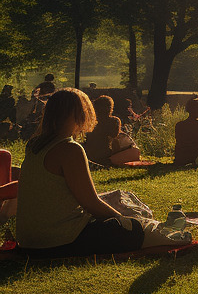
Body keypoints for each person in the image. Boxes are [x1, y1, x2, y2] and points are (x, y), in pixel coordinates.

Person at [16, 89, 187, 257]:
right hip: (60, 241)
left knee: (123, 218)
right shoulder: (69, 149)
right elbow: (91, 203)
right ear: (81, 114)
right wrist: (123, 221)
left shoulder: (34, 145)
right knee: (136, 229)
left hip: (29, 241)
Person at [82, 95, 142, 166]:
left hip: (90, 154)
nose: (107, 110)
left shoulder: (90, 121)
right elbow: (114, 137)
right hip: (104, 154)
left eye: (109, 107)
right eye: (106, 107)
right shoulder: (113, 121)